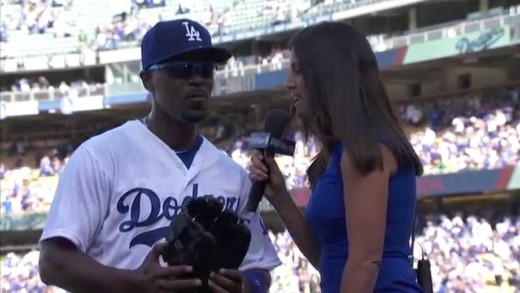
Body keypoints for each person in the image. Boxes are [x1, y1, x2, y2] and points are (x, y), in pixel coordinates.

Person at [38, 19, 280, 293]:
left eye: (205, 69)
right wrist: (134, 284)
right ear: (148, 79)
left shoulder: (233, 175)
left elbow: (260, 269)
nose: (197, 79)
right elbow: (52, 262)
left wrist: (245, 287)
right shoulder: (100, 156)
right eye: (182, 69)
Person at [249, 21, 424, 292]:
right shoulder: (340, 153)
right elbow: (327, 259)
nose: (289, 84)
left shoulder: (365, 149)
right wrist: (280, 196)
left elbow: (365, 263)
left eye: (298, 71)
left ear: (327, 76)